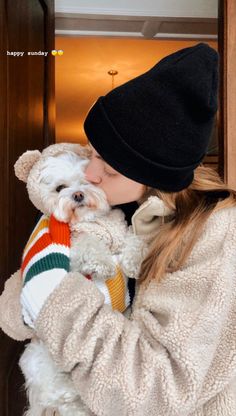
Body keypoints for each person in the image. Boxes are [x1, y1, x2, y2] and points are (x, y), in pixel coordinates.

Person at [1, 42, 236, 416]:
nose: (90, 174)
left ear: (152, 175)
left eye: (110, 168)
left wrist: (55, 303)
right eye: (93, 152)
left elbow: (156, 392)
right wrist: (31, 294)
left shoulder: (216, 235)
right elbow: (18, 316)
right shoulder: (108, 210)